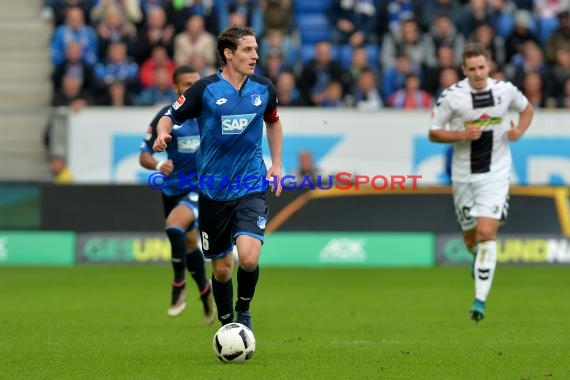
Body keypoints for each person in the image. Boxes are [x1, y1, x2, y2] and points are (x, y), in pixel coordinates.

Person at [153, 25, 283, 331]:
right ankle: (226, 322)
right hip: (212, 192)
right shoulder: (205, 90)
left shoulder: (263, 89)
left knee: (249, 258)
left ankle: (244, 312)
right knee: (223, 269)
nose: (256, 55)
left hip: (250, 185)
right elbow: (169, 115)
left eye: (256, 49)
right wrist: (162, 134)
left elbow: (274, 123)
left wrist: (276, 164)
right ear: (229, 53)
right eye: (248, 50)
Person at [429, 42, 534, 322]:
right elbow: (433, 132)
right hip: (463, 176)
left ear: (489, 66)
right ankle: (477, 258)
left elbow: (527, 110)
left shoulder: (505, 90)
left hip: (496, 174)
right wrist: (461, 135)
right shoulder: (452, 97)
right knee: (470, 239)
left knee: (487, 232)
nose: (477, 73)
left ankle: (480, 300)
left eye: (482, 67)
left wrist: (519, 131)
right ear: (463, 70)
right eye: (472, 69)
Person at [139, 65, 215, 323]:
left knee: (173, 225)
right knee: (189, 243)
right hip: (173, 188)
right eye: (186, 85)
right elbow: (144, 155)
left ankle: (178, 285)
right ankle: (205, 290)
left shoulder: (210, 113)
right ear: (176, 88)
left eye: (196, 83)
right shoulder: (167, 116)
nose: (192, 89)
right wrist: (159, 165)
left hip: (200, 188)